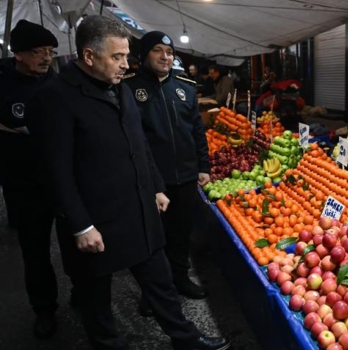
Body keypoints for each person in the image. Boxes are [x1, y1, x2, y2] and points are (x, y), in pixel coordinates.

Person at [24, 15, 230, 350]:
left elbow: (140, 145)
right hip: (95, 218)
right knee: (96, 299)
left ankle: (186, 339)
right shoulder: (56, 97)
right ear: (89, 56)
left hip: (138, 208)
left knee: (160, 282)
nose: (125, 64)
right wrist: (79, 225)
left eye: (126, 56)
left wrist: (156, 186)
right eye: (117, 57)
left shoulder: (118, 87)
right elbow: (55, 170)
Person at [124, 31, 211, 315]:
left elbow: (197, 130)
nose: (165, 57)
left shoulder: (184, 87)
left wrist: (203, 167)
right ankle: (155, 293)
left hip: (185, 177)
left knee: (180, 233)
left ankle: (180, 278)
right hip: (151, 180)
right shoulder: (128, 89)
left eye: (170, 52)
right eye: (158, 51)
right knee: (153, 238)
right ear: (144, 54)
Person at [0, 19, 59, 339]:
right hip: (23, 184)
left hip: (61, 181)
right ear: (18, 54)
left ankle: (84, 292)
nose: (46, 57)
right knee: (35, 251)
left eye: (50, 51)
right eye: (38, 51)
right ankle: (44, 309)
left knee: (79, 244)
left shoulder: (59, 83)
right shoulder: (3, 83)